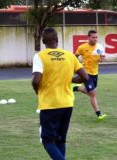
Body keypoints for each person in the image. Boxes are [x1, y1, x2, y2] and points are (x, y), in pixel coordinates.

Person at [32, 28, 89, 160]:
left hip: (49, 104)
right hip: (67, 103)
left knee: (47, 141)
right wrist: (70, 79)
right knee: (60, 140)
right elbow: (85, 77)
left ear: (43, 41)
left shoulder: (40, 56)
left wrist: (37, 91)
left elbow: (36, 80)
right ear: (57, 40)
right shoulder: (70, 55)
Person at [73, 30, 107, 121]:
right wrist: (76, 66)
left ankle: (76, 88)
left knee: (91, 92)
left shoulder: (100, 47)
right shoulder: (82, 47)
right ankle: (99, 114)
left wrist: (102, 57)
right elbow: (74, 57)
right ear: (88, 38)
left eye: (96, 37)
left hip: (95, 73)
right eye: (93, 37)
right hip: (85, 73)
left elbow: (103, 59)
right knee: (92, 94)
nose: (95, 39)